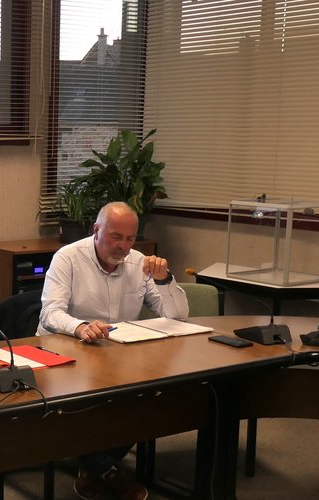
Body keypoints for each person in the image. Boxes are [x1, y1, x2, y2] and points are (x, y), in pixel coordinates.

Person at [38, 201, 189, 500]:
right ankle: (104, 469)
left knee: (146, 395)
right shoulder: (68, 258)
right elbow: (50, 313)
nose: (123, 246)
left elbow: (178, 316)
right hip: (65, 354)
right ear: (96, 230)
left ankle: (94, 467)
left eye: (130, 239)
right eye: (116, 237)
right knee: (89, 401)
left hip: (117, 356)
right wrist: (80, 326)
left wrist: (165, 280)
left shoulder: (139, 263)